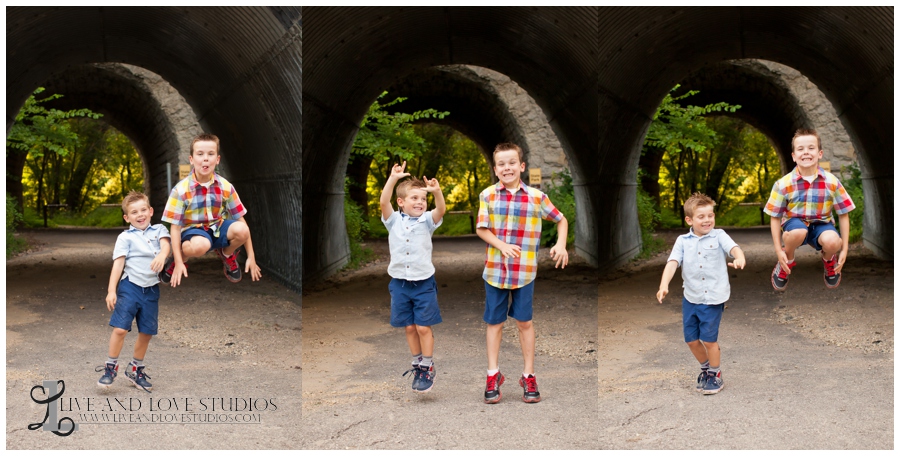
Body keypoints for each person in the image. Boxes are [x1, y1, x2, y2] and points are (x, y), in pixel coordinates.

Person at [476, 142, 568, 404]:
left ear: (522, 166)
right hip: (495, 270)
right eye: (502, 164)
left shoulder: (537, 198)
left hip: (525, 272)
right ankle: (493, 374)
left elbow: (561, 219)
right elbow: (482, 229)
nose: (507, 167)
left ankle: (529, 375)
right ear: (496, 169)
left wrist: (561, 244)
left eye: (512, 162)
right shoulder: (488, 196)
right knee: (495, 323)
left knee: (524, 322)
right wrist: (502, 246)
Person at [657, 192, 746, 395]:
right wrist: (664, 285)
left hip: (714, 298)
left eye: (710, 215)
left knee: (709, 340)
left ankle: (715, 374)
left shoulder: (719, 235)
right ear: (689, 220)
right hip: (691, 297)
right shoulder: (682, 241)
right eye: (701, 216)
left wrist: (739, 258)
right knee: (691, 340)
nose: (707, 220)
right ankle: (705, 369)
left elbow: (734, 248)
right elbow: (672, 263)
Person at [159, 133, 262, 285]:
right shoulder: (180, 190)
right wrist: (180, 261)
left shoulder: (225, 186)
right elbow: (174, 228)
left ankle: (226, 254)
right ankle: (178, 258)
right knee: (201, 245)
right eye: (200, 154)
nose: (205, 158)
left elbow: (240, 218)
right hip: (191, 231)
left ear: (217, 159)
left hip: (217, 227)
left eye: (210, 154)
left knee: (242, 230)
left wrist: (251, 256)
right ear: (192, 159)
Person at [380, 161, 446, 393]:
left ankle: (427, 366)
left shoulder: (427, 220)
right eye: (414, 198)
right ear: (401, 202)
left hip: (423, 283)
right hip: (399, 283)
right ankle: (417, 361)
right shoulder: (393, 221)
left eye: (423, 199)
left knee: (423, 327)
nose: (420, 202)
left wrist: (436, 192)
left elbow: (440, 210)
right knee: (409, 328)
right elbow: (383, 201)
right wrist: (393, 179)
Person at [764, 128, 855, 291]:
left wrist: (845, 249)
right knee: (798, 231)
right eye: (800, 149)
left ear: (820, 153)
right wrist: (779, 250)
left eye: (811, 148)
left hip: (822, 224)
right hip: (795, 224)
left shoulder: (831, 181)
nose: (806, 152)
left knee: (834, 241)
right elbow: (775, 216)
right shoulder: (783, 184)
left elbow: (843, 213)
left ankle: (829, 260)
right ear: (793, 156)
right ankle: (787, 259)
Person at [97, 191, 171, 392]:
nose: (140, 215)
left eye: (143, 210)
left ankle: (136, 369)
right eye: (134, 212)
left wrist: (162, 257)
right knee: (120, 328)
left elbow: (166, 247)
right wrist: (111, 290)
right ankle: (110, 367)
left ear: (151, 211)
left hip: (151, 290)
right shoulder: (125, 237)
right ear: (126, 217)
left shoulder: (159, 230)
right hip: (130, 287)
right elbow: (118, 264)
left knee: (146, 332)